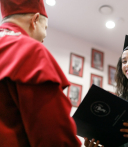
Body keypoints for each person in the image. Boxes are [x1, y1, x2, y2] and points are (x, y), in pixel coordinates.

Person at [0, 0, 81, 146]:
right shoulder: (30, 51)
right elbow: (54, 137)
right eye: (45, 28)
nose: (44, 38)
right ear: (35, 20)